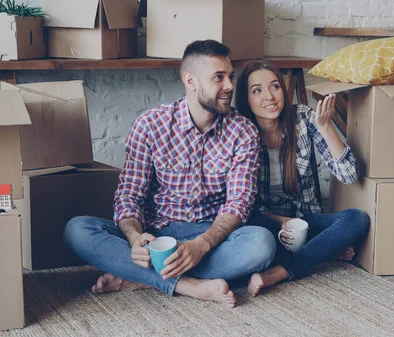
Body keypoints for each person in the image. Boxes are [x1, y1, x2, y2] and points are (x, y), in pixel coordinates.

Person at [63, 40, 276, 308]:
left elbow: (239, 203)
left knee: (262, 244)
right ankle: (188, 285)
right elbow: (130, 194)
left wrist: (201, 245)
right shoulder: (150, 124)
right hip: (155, 232)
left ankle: (141, 278)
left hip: (209, 235)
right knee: (77, 230)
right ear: (191, 80)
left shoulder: (243, 131)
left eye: (230, 76)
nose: (230, 86)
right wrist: (133, 237)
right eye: (219, 77)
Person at [234, 61, 370, 296]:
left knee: (356, 220)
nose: (269, 97)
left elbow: (348, 175)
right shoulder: (240, 130)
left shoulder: (304, 118)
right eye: (257, 90)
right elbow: (241, 203)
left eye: (275, 86)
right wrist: (280, 221)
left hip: (305, 221)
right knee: (254, 235)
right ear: (246, 98)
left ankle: (280, 271)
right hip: (267, 223)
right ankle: (321, 251)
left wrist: (326, 127)